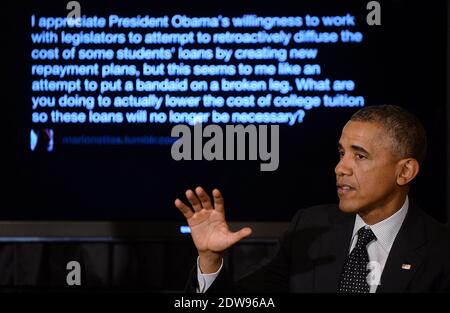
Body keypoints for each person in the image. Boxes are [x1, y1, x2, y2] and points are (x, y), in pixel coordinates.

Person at [175, 105, 450, 293]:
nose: (340, 168)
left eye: (360, 155)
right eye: (341, 153)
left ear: (404, 171)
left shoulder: (441, 250)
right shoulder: (310, 228)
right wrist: (209, 260)